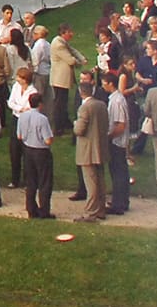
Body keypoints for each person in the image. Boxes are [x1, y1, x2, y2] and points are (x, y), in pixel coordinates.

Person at [70, 77, 108, 221]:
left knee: (91, 182)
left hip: (88, 149)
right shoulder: (102, 105)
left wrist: (75, 124)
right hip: (100, 146)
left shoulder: (84, 108)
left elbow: (79, 130)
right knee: (100, 180)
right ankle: (101, 209)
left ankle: (90, 212)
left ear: (81, 93)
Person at [17, 90, 55, 218]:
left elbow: (19, 136)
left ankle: (31, 210)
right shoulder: (42, 119)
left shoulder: (22, 116)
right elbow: (48, 140)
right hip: (41, 151)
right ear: (40, 104)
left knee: (31, 182)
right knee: (44, 182)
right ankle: (44, 211)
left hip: (28, 150)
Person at [49, 24, 88, 134]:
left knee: (63, 101)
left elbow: (72, 50)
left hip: (61, 79)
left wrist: (82, 58)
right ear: (63, 33)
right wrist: (80, 63)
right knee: (59, 103)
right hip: (59, 79)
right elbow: (70, 60)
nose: (72, 34)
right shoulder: (58, 44)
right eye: (69, 32)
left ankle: (65, 122)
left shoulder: (62, 42)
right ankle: (58, 127)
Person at [105, 71, 132, 216]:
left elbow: (120, 125)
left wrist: (109, 137)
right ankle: (121, 201)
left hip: (117, 142)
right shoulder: (115, 99)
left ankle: (119, 204)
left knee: (118, 173)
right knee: (119, 172)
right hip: (118, 141)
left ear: (111, 84)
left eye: (105, 83)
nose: (103, 86)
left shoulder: (117, 101)